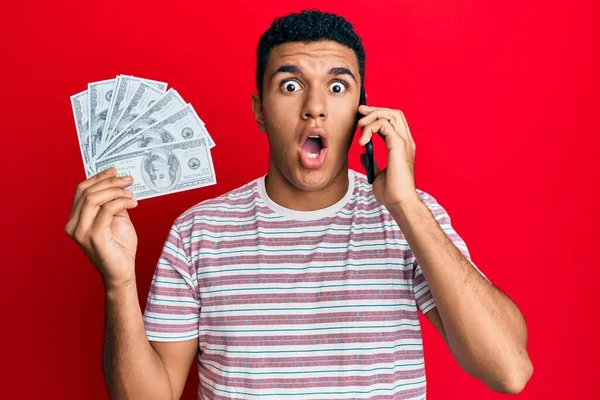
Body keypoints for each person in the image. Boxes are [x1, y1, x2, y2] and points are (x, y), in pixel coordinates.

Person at [65, 9, 533, 399]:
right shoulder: (197, 232)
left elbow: (509, 371)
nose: (315, 107)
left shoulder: (408, 218)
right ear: (260, 111)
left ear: (363, 110)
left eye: (337, 86)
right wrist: (118, 282)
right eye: (290, 86)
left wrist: (406, 207)